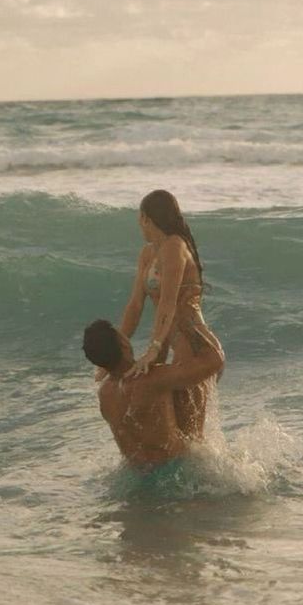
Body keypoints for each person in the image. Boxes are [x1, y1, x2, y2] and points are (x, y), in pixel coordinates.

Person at [117, 188, 223, 440]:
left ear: (146, 218)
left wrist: (153, 349)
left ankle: (216, 477)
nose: (139, 227)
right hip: (175, 351)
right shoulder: (148, 253)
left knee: (190, 440)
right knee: (175, 436)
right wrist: (117, 350)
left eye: (139, 220)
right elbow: (134, 306)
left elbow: (168, 303)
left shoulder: (175, 246)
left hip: (198, 351)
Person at [82, 318, 224, 469]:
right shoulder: (152, 380)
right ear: (123, 344)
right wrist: (185, 322)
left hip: (136, 475)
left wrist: (158, 343)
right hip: (175, 472)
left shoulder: (104, 393)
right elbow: (214, 361)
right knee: (193, 388)